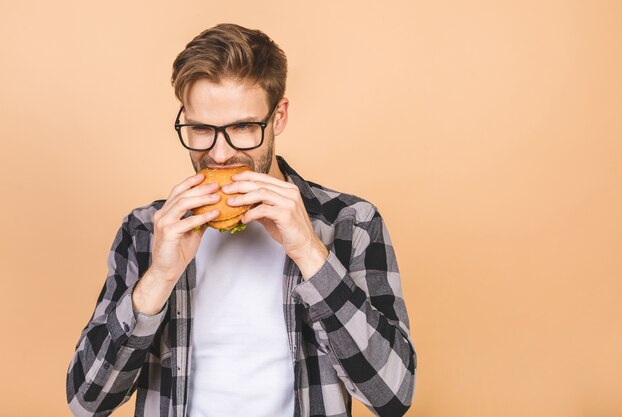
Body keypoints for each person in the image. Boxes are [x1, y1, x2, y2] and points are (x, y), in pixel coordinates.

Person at [66, 23, 417, 417]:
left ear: (278, 117)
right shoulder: (147, 229)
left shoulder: (352, 222)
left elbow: (393, 395)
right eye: (200, 129)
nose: (219, 154)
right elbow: (86, 402)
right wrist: (159, 278)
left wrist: (310, 253)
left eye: (243, 127)